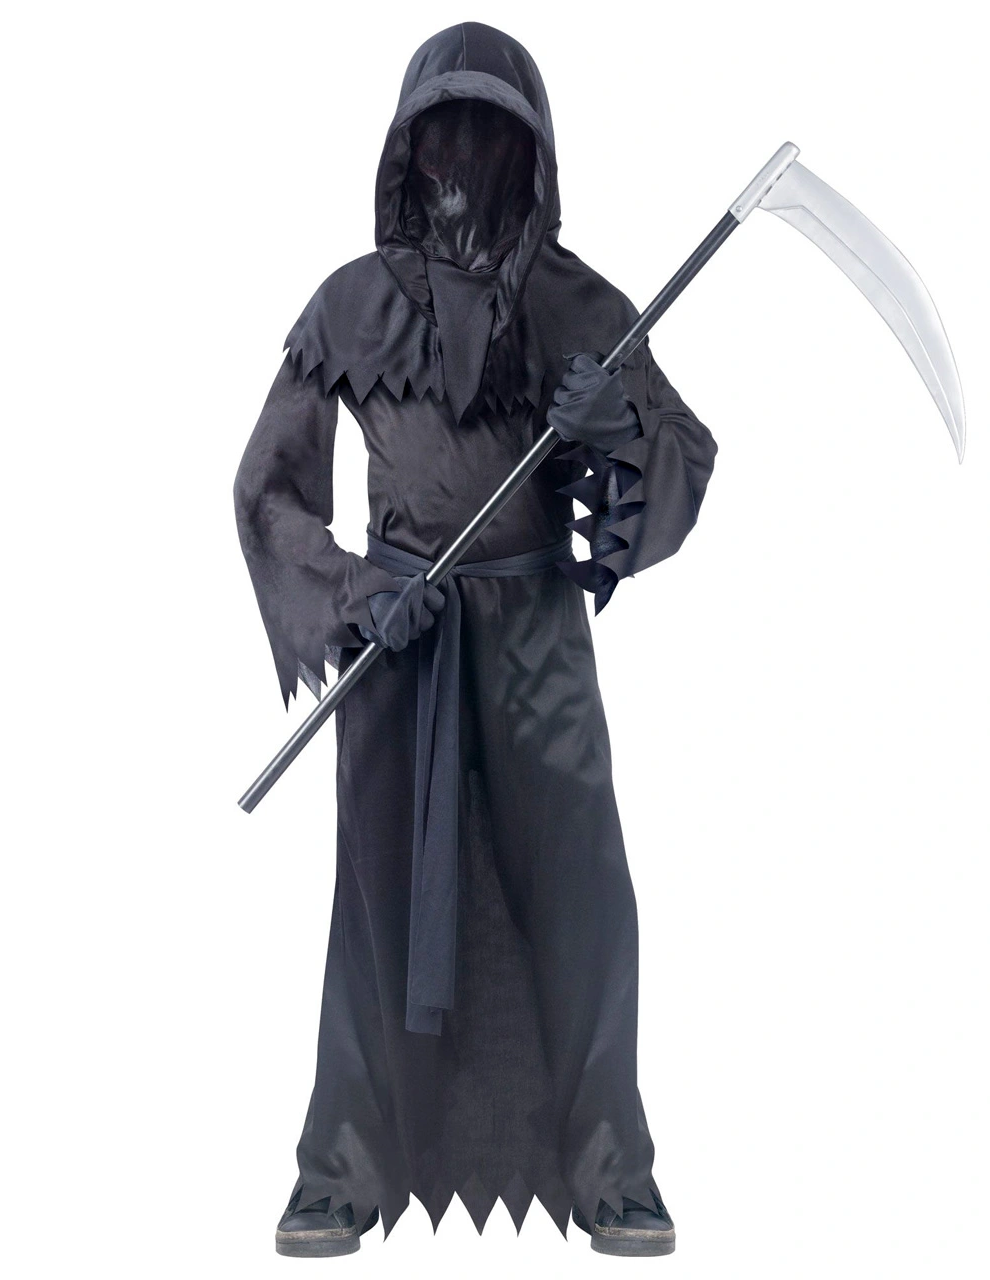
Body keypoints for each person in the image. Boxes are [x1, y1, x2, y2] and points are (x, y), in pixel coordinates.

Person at [234, 21, 717, 1258]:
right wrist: (353, 590)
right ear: (407, 153)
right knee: (374, 902)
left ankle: (611, 1165)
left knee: (583, 896)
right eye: (442, 139)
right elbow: (269, 489)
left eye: (488, 140)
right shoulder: (349, 306)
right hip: (401, 644)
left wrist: (615, 424)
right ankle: (340, 1168)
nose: (463, 164)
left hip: (539, 640)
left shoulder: (582, 306)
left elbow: (682, 454)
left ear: (531, 154)